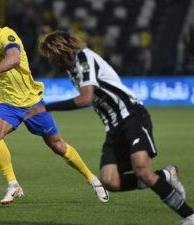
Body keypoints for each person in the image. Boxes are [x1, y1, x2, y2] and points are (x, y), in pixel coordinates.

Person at [25, 30, 194, 224]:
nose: (49, 59)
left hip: (131, 115)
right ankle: (165, 175)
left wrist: (45, 107)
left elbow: (86, 98)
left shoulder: (84, 58)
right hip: (113, 127)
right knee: (109, 181)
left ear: (58, 50)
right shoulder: (72, 72)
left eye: (49, 54)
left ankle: (189, 216)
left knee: (142, 169)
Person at [0, 6, 108, 205]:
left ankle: (92, 180)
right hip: (8, 103)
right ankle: (13, 185)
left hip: (31, 102)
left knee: (58, 146)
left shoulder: (8, 36)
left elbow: (14, 59)